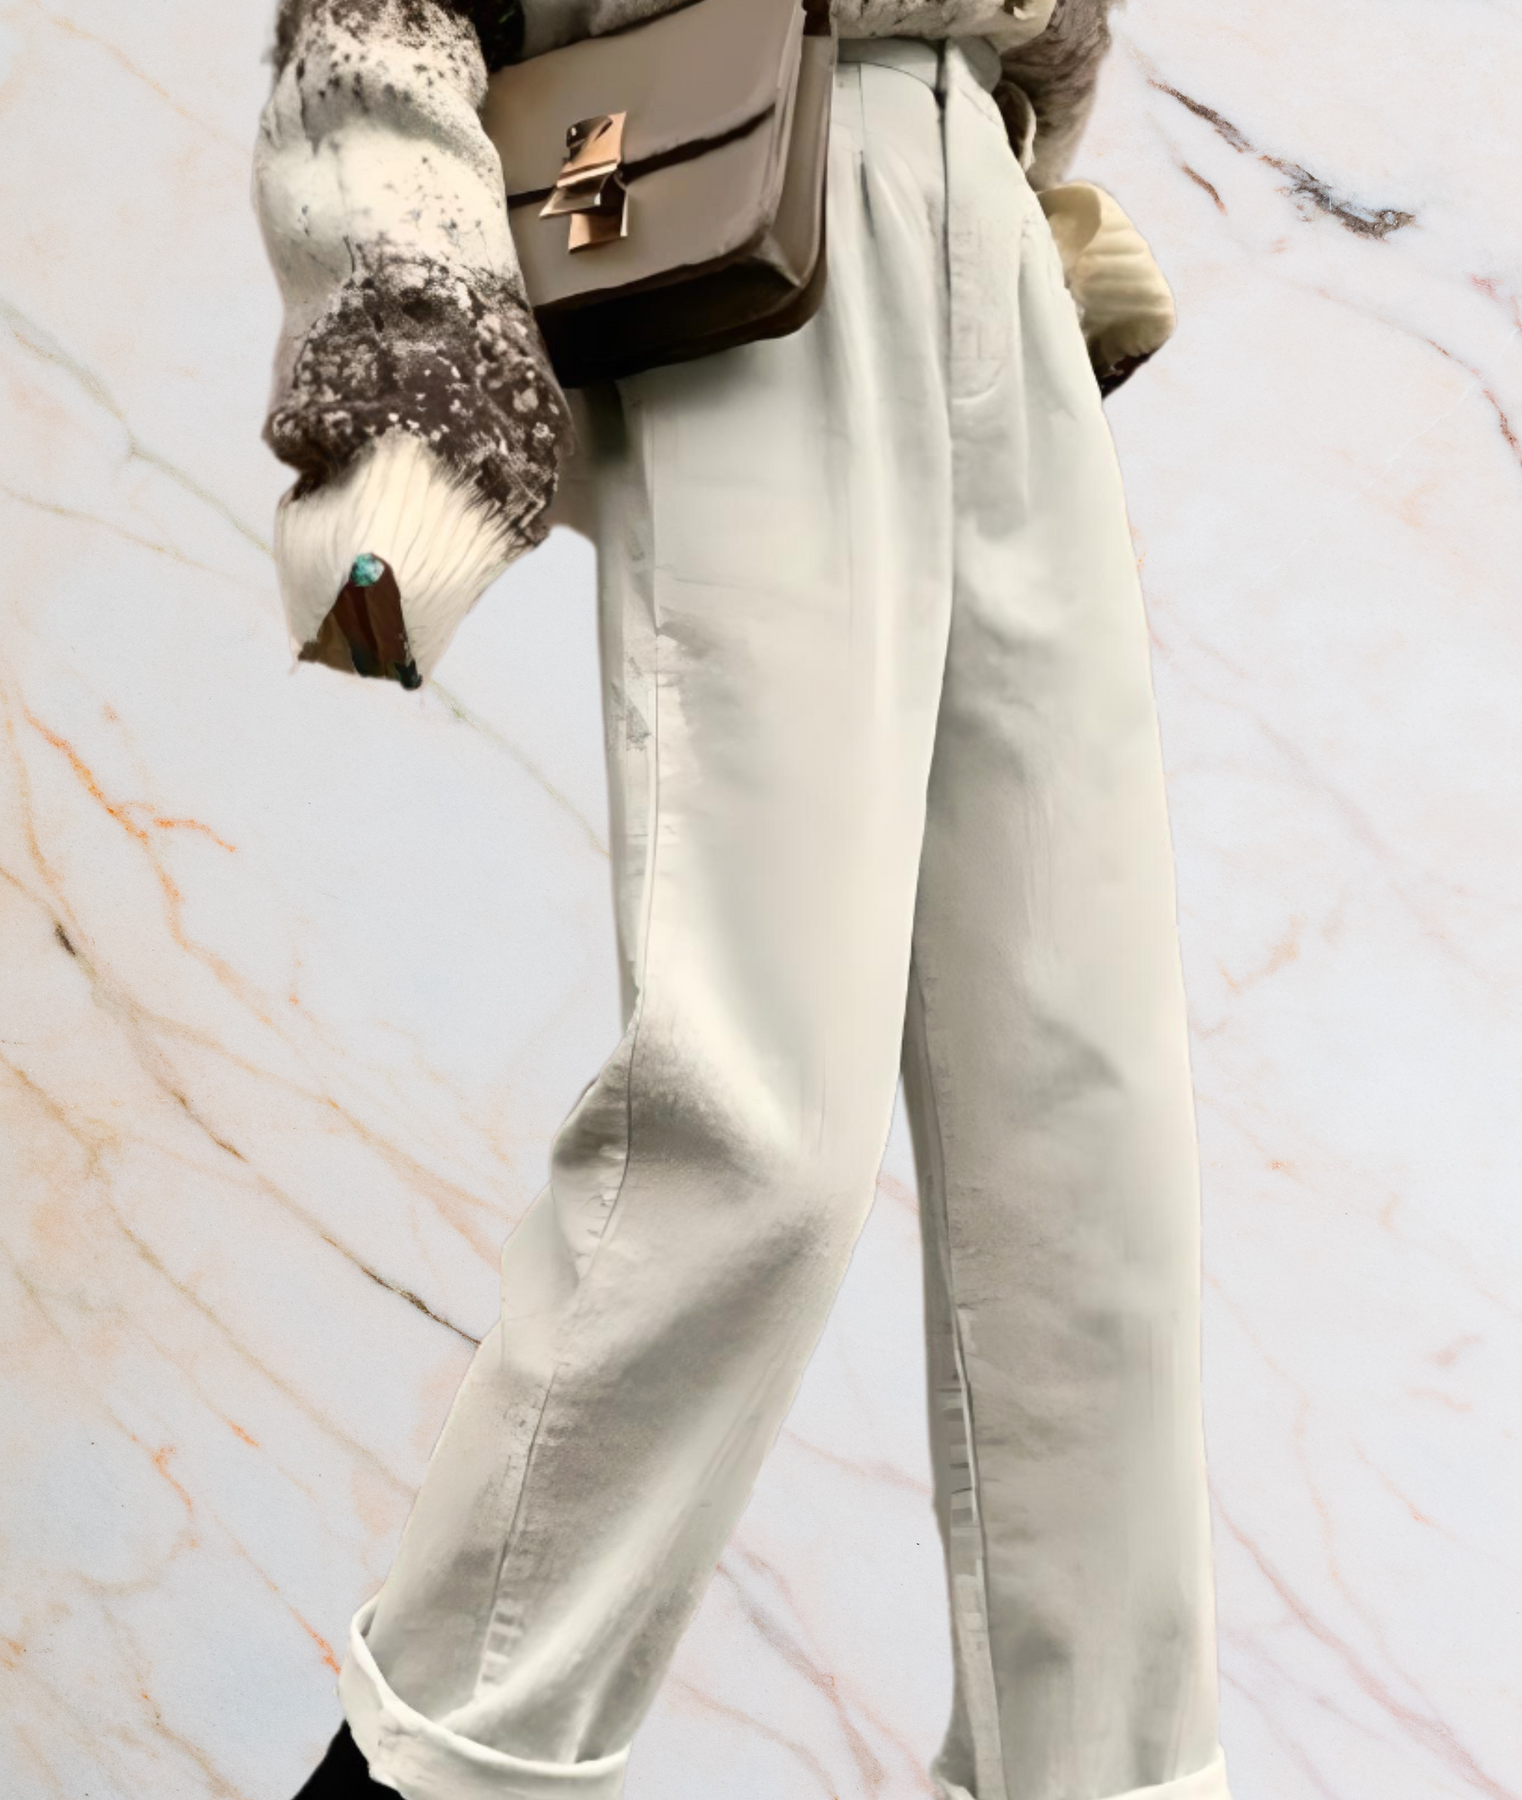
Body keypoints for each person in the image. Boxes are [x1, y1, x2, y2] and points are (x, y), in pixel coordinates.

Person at [254, 3, 1231, 1799]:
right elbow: (371, 34)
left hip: (982, 206)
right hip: (744, 195)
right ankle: (436, 1771)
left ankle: (1108, 1774)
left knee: (1091, 1160)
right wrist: (412, 397)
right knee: (757, 1131)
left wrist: (1004, 200)